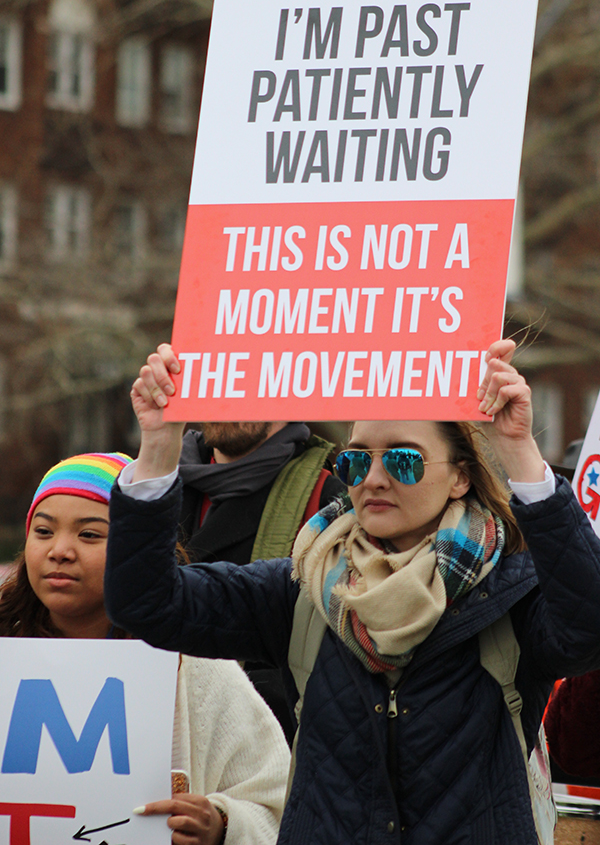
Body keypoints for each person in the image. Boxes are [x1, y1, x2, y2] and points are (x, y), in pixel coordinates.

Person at [104, 339, 600, 845]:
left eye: (404, 461)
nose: (375, 479)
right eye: (357, 461)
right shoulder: (301, 587)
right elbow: (147, 603)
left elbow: (587, 632)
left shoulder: (510, 593)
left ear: (459, 478)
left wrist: (519, 452)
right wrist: (159, 448)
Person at [0, 451, 289, 845]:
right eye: (44, 531)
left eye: (89, 534)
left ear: (136, 556)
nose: (60, 550)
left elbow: (279, 804)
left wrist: (222, 824)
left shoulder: (197, 667)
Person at [148, 359, 345, 741]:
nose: (228, 393)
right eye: (217, 376)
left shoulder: (328, 499)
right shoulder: (153, 486)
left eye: (249, 376)